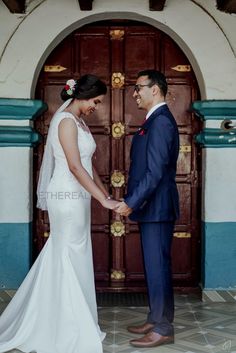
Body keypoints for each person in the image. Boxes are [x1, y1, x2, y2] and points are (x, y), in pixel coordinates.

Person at [0, 74, 118, 353]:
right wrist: (103, 200)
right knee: (66, 253)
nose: (96, 107)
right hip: (66, 197)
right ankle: (64, 325)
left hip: (79, 197)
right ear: (82, 95)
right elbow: (76, 168)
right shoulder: (65, 122)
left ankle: (68, 319)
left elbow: (89, 167)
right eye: (95, 101)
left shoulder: (79, 122)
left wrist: (107, 196)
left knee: (71, 254)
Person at [115, 69, 179, 348]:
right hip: (152, 208)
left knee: (158, 268)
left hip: (157, 208)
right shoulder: (153, 121)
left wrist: (131, 201)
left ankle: (163, 328)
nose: (134, 93)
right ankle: (156, 318)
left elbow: (154, 173)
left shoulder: (162, 122)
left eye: (139, 87)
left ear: (155, 89)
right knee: (155, 267)